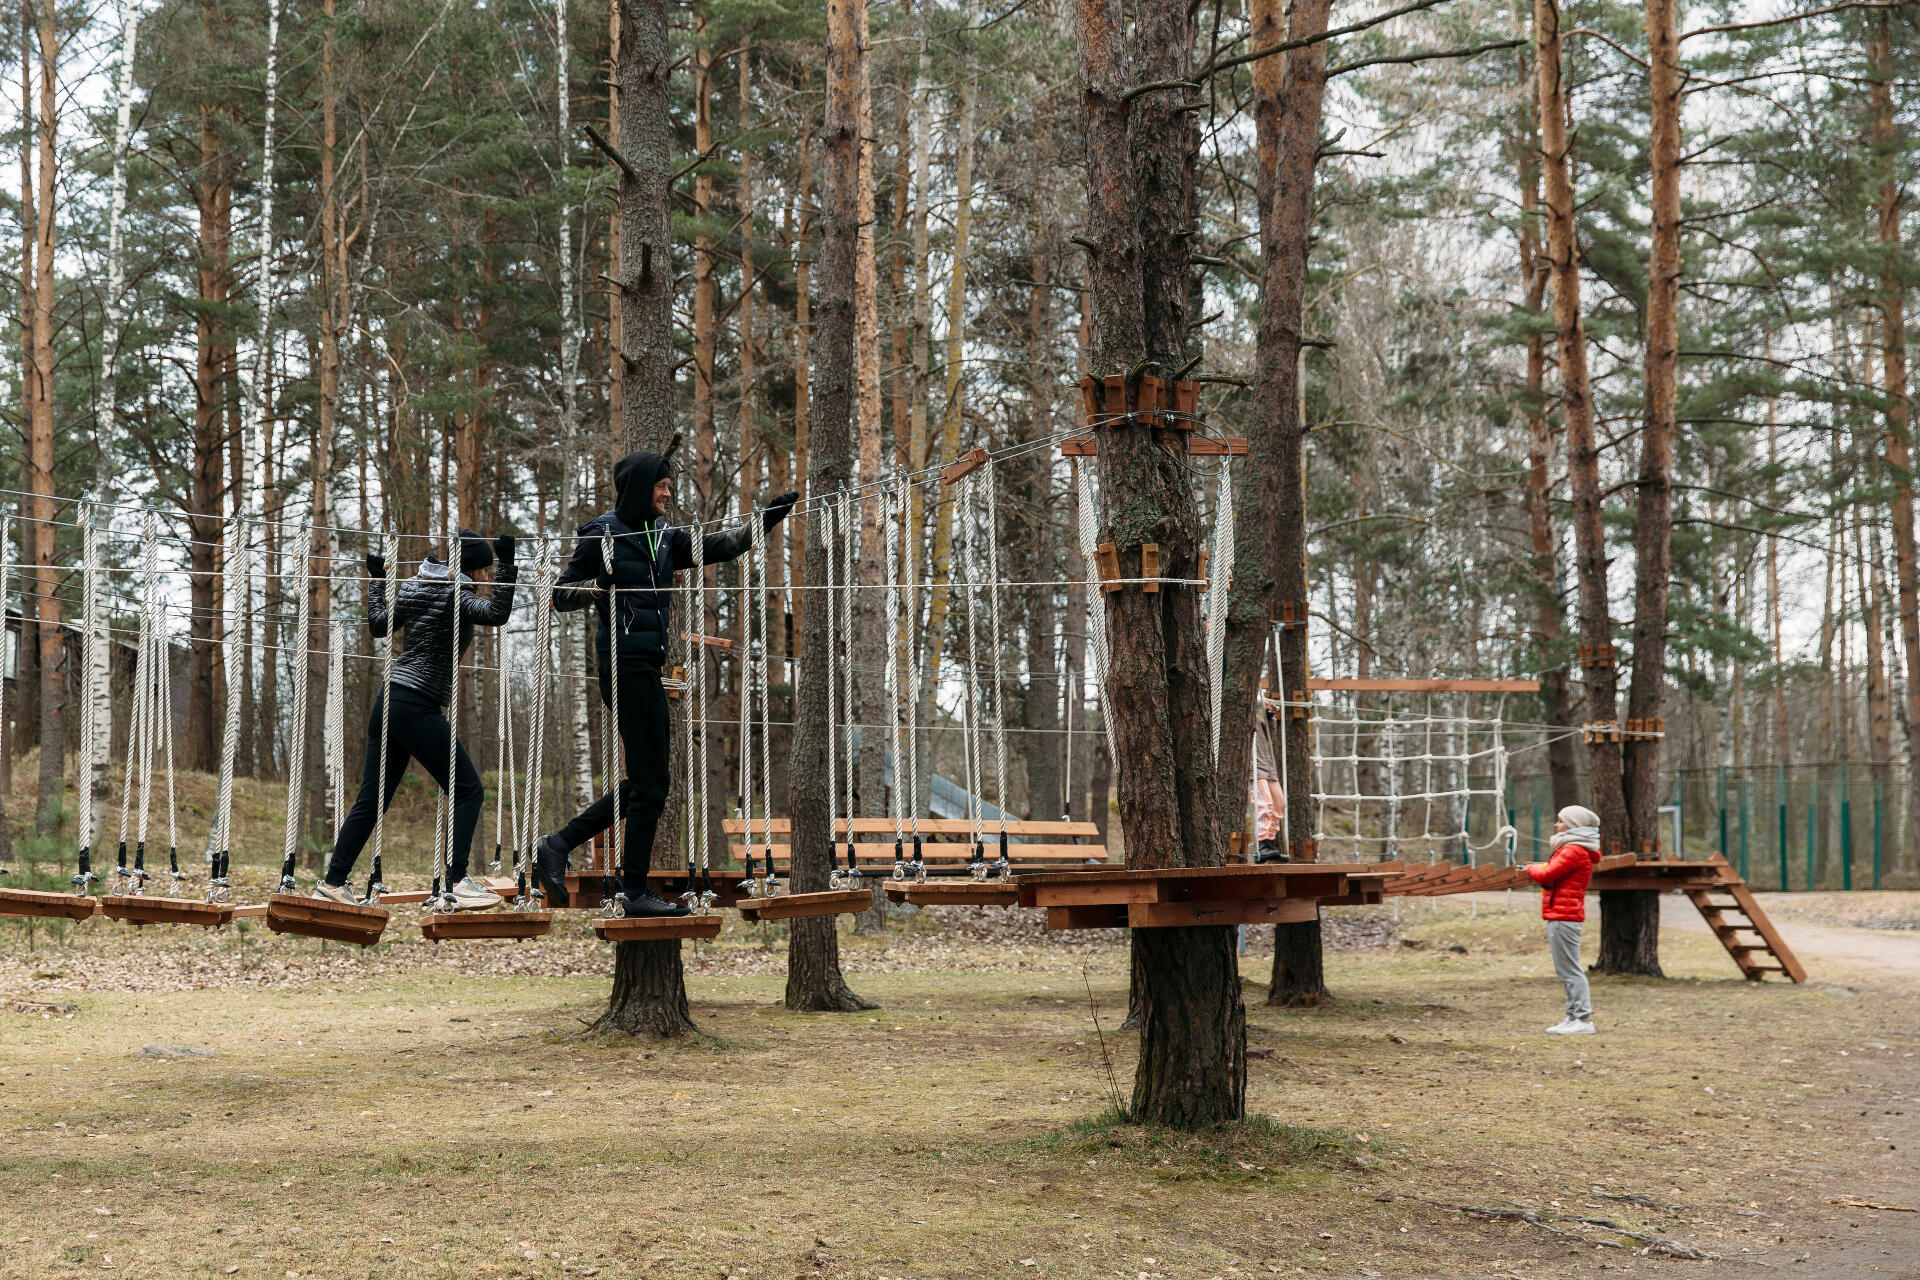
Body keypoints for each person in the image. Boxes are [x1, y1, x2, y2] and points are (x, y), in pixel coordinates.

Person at [532, 449, 795, 917]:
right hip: (621, 667)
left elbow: (727, 546)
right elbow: (559, 596)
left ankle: (560, 844)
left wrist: (767, 521)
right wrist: (601, 586)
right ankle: (627, 887)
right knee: (651, 784)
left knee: (649, 784)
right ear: (640, 488)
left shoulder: (665, 538)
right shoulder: (603, 534)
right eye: (662, 487)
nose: (669, 494)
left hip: (647, 669)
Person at [316, 530, 518, 910]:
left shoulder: (415, 586)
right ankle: (458, 879)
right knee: (469, 788)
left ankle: (333, 880)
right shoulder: (459, 594)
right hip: (416, 704)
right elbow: (497, 614)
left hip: (388, 699)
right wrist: (509, 564)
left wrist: (377, 582)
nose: (488, 580)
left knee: (371, 800)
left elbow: (378, 624)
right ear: (474, 569)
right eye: (487, 572)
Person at [1521, 804, 1603, 1035]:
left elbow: (1548, 874)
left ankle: (1583, 1020)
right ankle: (1572, 1017)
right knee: (1565, 969)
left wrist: (1530, 868)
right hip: (1562, 914)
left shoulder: (1574, 850)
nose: (1556, 825)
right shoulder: (1574, 848)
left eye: (1561, 821)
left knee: (1569, 970)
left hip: (1565, 916)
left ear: (1573, 825)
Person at [1250, 703, 1287, 863]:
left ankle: (1269, 844)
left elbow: (1271, 737)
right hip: (1255, 765)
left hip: (1268, 765)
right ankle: (1261, 844)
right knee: (1265, 803)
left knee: (1279, 805)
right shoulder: (1245, 709)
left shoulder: (1259, 714)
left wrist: (1270, 717)